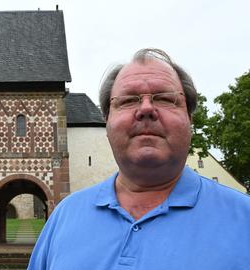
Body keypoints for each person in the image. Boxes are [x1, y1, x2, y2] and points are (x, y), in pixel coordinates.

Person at [28, 48, 250, 270]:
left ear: (189, 119)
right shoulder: (64, 217)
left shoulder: (244, 219)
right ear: (106, 122)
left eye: (164, 98)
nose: (146, 109)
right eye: (128, 100)